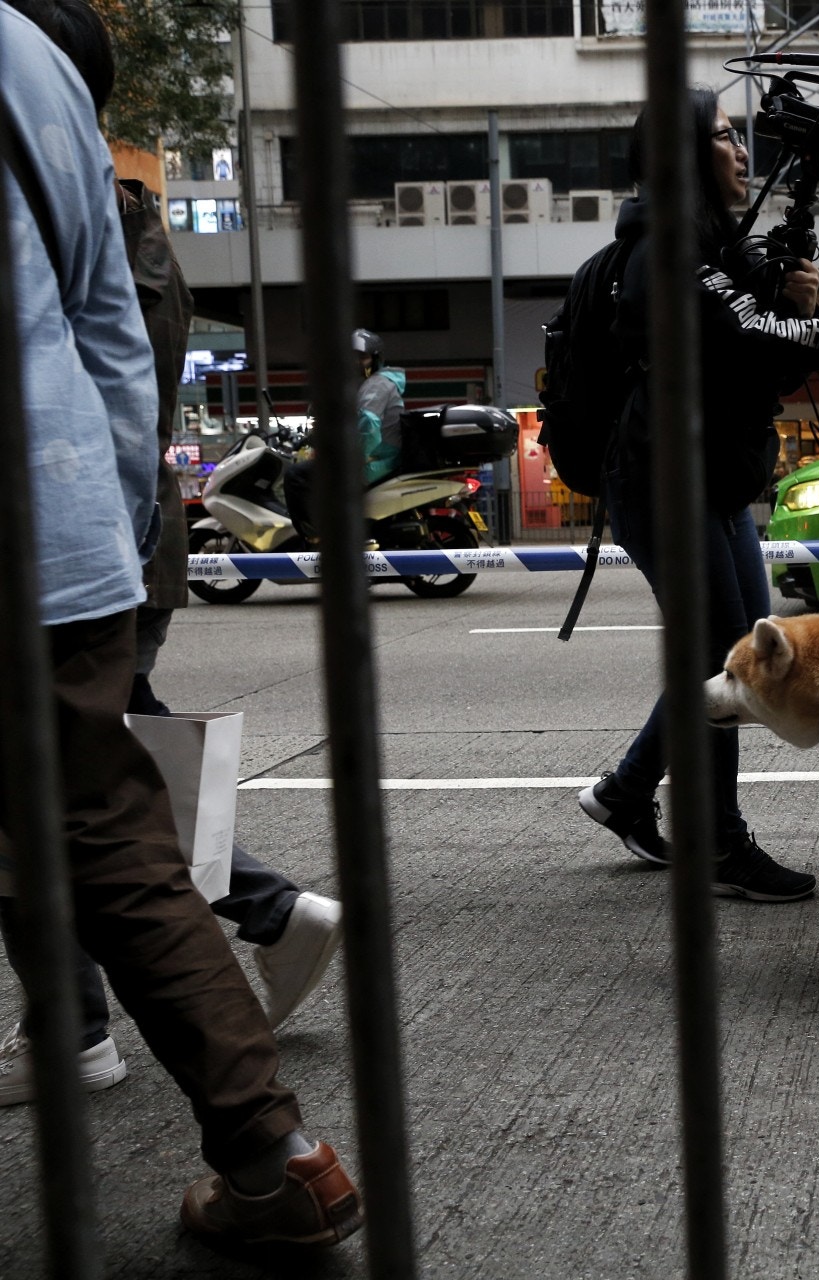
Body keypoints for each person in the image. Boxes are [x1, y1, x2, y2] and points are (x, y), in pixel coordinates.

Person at [0, 2, 361, 1247]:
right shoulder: (32, 61)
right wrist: (96, 528)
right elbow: (113, 332)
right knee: (111, 834)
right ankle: (279, 1152)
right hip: (64, 527)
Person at [575, 88, 819, 900]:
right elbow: (753, 336)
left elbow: (759, 366)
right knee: (728, 660)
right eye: (726, 138)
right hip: (666, 484)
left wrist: (799, 306)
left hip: (715, 479)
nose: (743, 154)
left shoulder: (711, 244)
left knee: (733, 652)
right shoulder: (668, 250)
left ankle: (628, 792)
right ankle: (719, 846)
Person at [281, 327, 406, 538]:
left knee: (296, 476)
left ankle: (320, 535)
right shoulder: (373, 384)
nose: (356, 362)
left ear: (375, 359)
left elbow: (368, 426)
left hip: (376, 459)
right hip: (380, 456)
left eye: (362, 357)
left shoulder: (377, 385)